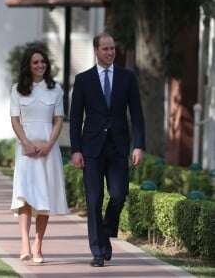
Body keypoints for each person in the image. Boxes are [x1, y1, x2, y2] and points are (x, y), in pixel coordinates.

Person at [69, 32, 145, 267]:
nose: (110, 52)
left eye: (112, 48)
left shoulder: (127, 77)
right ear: (96, 50)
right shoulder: (83, 80)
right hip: (91, 149)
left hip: (118, 147)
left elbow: (138, 114)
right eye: (105, 49)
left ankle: (105, 229)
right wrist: (76, 150)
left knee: (119, 195)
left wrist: (139, 145)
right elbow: (74, 118)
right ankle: (98, 251)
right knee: (93, 200)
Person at [10, 47, 68, 263]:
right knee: (25, 195)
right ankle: (24, 243)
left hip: (48, 152)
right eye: (35, 62)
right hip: (25, 151)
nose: (40, 65)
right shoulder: (17, 89)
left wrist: (49, 145)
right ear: (28, 65)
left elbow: (58, 120)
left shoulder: (56, 89)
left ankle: (38, 246)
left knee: (44, 198)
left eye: (42, 62)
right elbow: (15, 119)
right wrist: (26, 143)